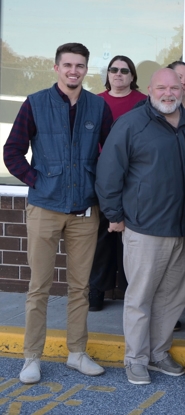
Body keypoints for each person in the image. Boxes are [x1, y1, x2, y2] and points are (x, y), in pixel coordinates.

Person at [3, 42, 113, 384]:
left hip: (85, 210)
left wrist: (100, 188)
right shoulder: (35, 103)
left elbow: (111, 156)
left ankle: (77, 353)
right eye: (67, 65)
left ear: (86, 70)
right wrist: (37, 180)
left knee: (80, 288)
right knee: (39, 287)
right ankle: (31, 358)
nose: (73, 71)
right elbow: (12, 151)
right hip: (44, 208)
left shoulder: (98, 106)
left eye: (79, 65)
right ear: (56, 68)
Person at [95, 68, 185, 385]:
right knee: (140, 298)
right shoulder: (132, 123)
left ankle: (158, 353)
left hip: (183, 230)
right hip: (144, 228)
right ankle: (135, 359)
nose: (168, 93)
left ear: (184, 90)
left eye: (174, 87)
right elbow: (109, 172)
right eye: (161, 88)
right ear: (149, 89)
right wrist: (114, 214)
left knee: (172, 299)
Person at [89, 55, 147, 312]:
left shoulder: (144, 103)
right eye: (114, 69)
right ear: (108, 74)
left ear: (132, 76)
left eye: (124, 70)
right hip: (103, 178)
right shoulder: (95, 102)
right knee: (102, 237)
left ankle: (129, 291)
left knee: (131, 239)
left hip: (134, 179)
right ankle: (97, 289)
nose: (119, 74)